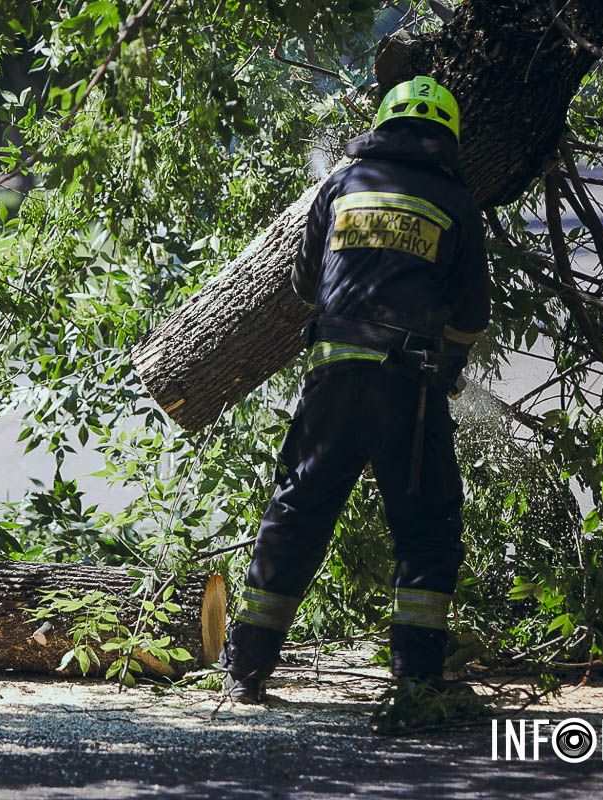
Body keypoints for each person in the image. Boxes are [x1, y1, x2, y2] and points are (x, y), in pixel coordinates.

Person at [219, 75, 490, 705]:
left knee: (297, 514)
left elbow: (305, 285)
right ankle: (416, 680)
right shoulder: (457, 201)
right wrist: (447, 361)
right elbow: (471, 317)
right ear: (448, 136)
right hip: (409, 391)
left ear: (383, 124)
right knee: (426, 527)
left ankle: (246, 669)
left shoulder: (342, 184)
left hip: (333, 382)